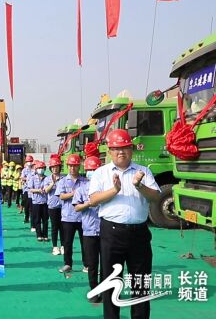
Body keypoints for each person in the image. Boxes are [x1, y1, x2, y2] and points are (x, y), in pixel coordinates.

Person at [88, 130, 160, 318]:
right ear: (110, 151)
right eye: (116, 148)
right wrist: (115, 189)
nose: (121, 152)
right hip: (112, 234)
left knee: (141, 283)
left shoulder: (143, 172)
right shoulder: (101, 173)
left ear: (131, 150)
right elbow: (94, 199)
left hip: (139, 234)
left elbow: (156, 197)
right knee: (111, 284)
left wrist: (139, 186)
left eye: (125, 148)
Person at [74, 156, 103, 303]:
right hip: (89, 231)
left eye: (94, 169)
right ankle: (94, 291)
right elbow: (77, 207)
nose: (91, 172)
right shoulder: (80, 189)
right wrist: (89, 203)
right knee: (92, 264)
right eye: (89, 170)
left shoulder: (105, 188)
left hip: (106, 231)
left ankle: (107, 291)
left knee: (107, 264)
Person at [55, 154, 85, 273]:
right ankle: (68, 264)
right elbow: (61, 196)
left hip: (83, 217)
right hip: (68, 217)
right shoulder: (63, 181)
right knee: (67, 243)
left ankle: (87, 264)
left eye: (75, 166)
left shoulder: (85, 181)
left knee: (85, 243)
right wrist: (74, 193)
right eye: (71, 166)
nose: (73, 168)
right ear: (67, 167)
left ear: (79, 166)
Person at [43, 157, 64, 256]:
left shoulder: (64, 178)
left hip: (63, 207)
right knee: (54, 227)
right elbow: (46, 191)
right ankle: (55, 247)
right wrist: (53, 183)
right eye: (53, 167)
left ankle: (63, 246)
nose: (55, 169)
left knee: (63, 228)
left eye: (57, 167)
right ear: (50, 169)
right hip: (52, 207)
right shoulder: (47, 179)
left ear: (60, 167)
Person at [27, 160, 48, 241]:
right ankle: (39, 235)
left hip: (45, 202)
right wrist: (38, 190)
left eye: (42, 168)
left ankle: (45, 235)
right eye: (39, 168)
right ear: (36, 169)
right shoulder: (33, 178)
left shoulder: (47, 178)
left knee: (45, 220)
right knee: (37, 219)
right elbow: (30, 189)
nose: (41, 169)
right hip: (36, 202)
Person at [20, 156, 35, 224]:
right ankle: (26, 217)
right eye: (28, 161)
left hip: (33, 190)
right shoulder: (24, 170)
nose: (29, 163)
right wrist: (27, 179)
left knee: (32, 206)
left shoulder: (34, 170)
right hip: (26, 189)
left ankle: (32, 219)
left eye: (30, 161)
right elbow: (22, 178)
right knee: (26, 205)